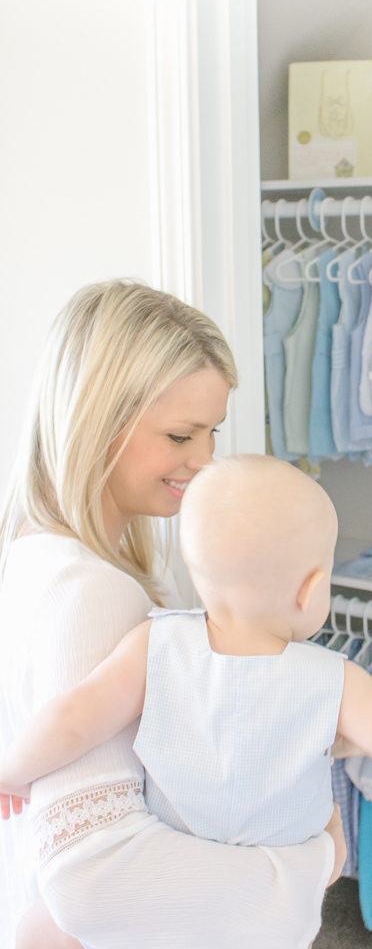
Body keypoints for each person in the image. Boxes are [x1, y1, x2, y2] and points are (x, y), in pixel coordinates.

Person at [0, 279, 346, 949]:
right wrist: (314, 863)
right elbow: (95, 879)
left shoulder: (28, 556)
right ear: (96, 419)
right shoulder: (94, 592)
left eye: (212, 433)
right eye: (181, 435)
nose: (206, 461)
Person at [0, 454, 372, 946]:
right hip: (264, 913)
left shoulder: (155, 644)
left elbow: (74, 718)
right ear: (312, 589)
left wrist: (11, 772)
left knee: (38, 929)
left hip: (169, 891)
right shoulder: (331, 677)